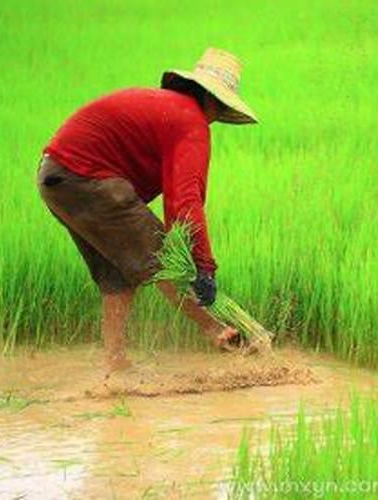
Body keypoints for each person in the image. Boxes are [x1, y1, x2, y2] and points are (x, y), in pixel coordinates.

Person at [36, 48, 258, 371]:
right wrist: (204, 266)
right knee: (164, 258)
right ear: (216, 100)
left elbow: (175, 198)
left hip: (55, 177)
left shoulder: (169, 109)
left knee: (118, 273)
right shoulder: (191, 121)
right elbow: (185, 201)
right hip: (86, 177)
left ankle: (115, 364)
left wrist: (198, 261)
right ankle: (219, 330)